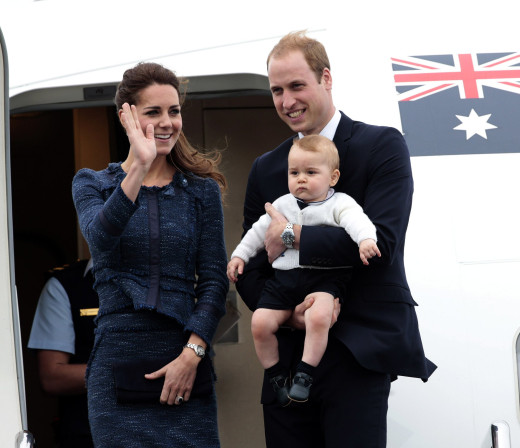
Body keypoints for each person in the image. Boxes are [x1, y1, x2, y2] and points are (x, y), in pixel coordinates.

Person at [235, 31, 437, 447]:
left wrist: (290, 236)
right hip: (286, 358)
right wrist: (290, 316)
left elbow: (381, 247)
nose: (286, 101)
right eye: (276, 90)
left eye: (296, 85)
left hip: (356, 351)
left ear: (326, 79)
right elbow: (252, 268)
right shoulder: (266, 168)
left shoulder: (380, 146)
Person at [71, 62, 228, 448]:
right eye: (153, 112)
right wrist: (139, 166)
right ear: (126, 117)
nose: (167, 122)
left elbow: (213, 280)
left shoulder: (201, 192)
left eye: (173, 111)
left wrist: (191, 355)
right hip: (117, 365)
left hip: (186, 363)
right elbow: (100, 238)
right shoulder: (92, 183)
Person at [228, 135, 380, 405]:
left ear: (333, 177)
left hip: (324, 278)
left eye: (311, 172)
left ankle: (305, 373)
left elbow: (357, 221)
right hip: (284, 280)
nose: (301, 179)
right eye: (294, 172)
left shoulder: (339, 203)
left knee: (320, 316)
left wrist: (366, 240)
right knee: (260, 322)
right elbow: (257, 233)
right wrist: (240, 255)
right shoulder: (282, 204)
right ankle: (275, 374)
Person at [28, 258, 98, 448]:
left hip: (160, 431)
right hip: (87, 436)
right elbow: (52, 377)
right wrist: (119, 372)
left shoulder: (167, 279)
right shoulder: (66, 284)